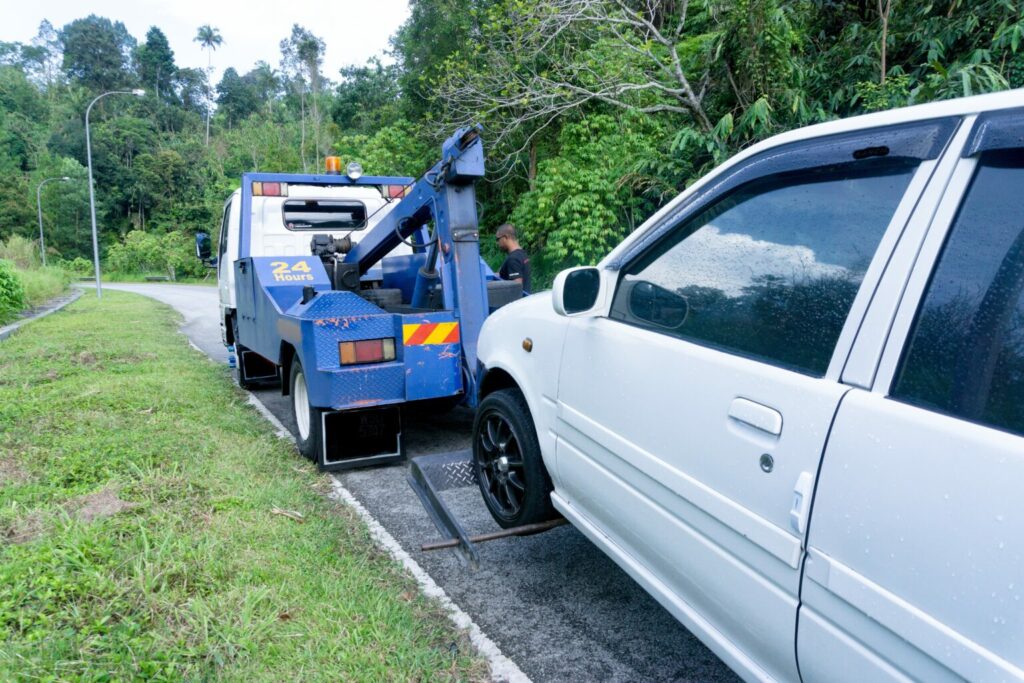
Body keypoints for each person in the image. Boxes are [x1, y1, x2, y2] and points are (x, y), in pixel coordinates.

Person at [496, 223, 530, 293]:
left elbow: (517, 287)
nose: (497, 243)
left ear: (505, 237)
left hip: (517, 303)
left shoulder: (513, 259)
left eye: (498, 239)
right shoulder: (522, 253)